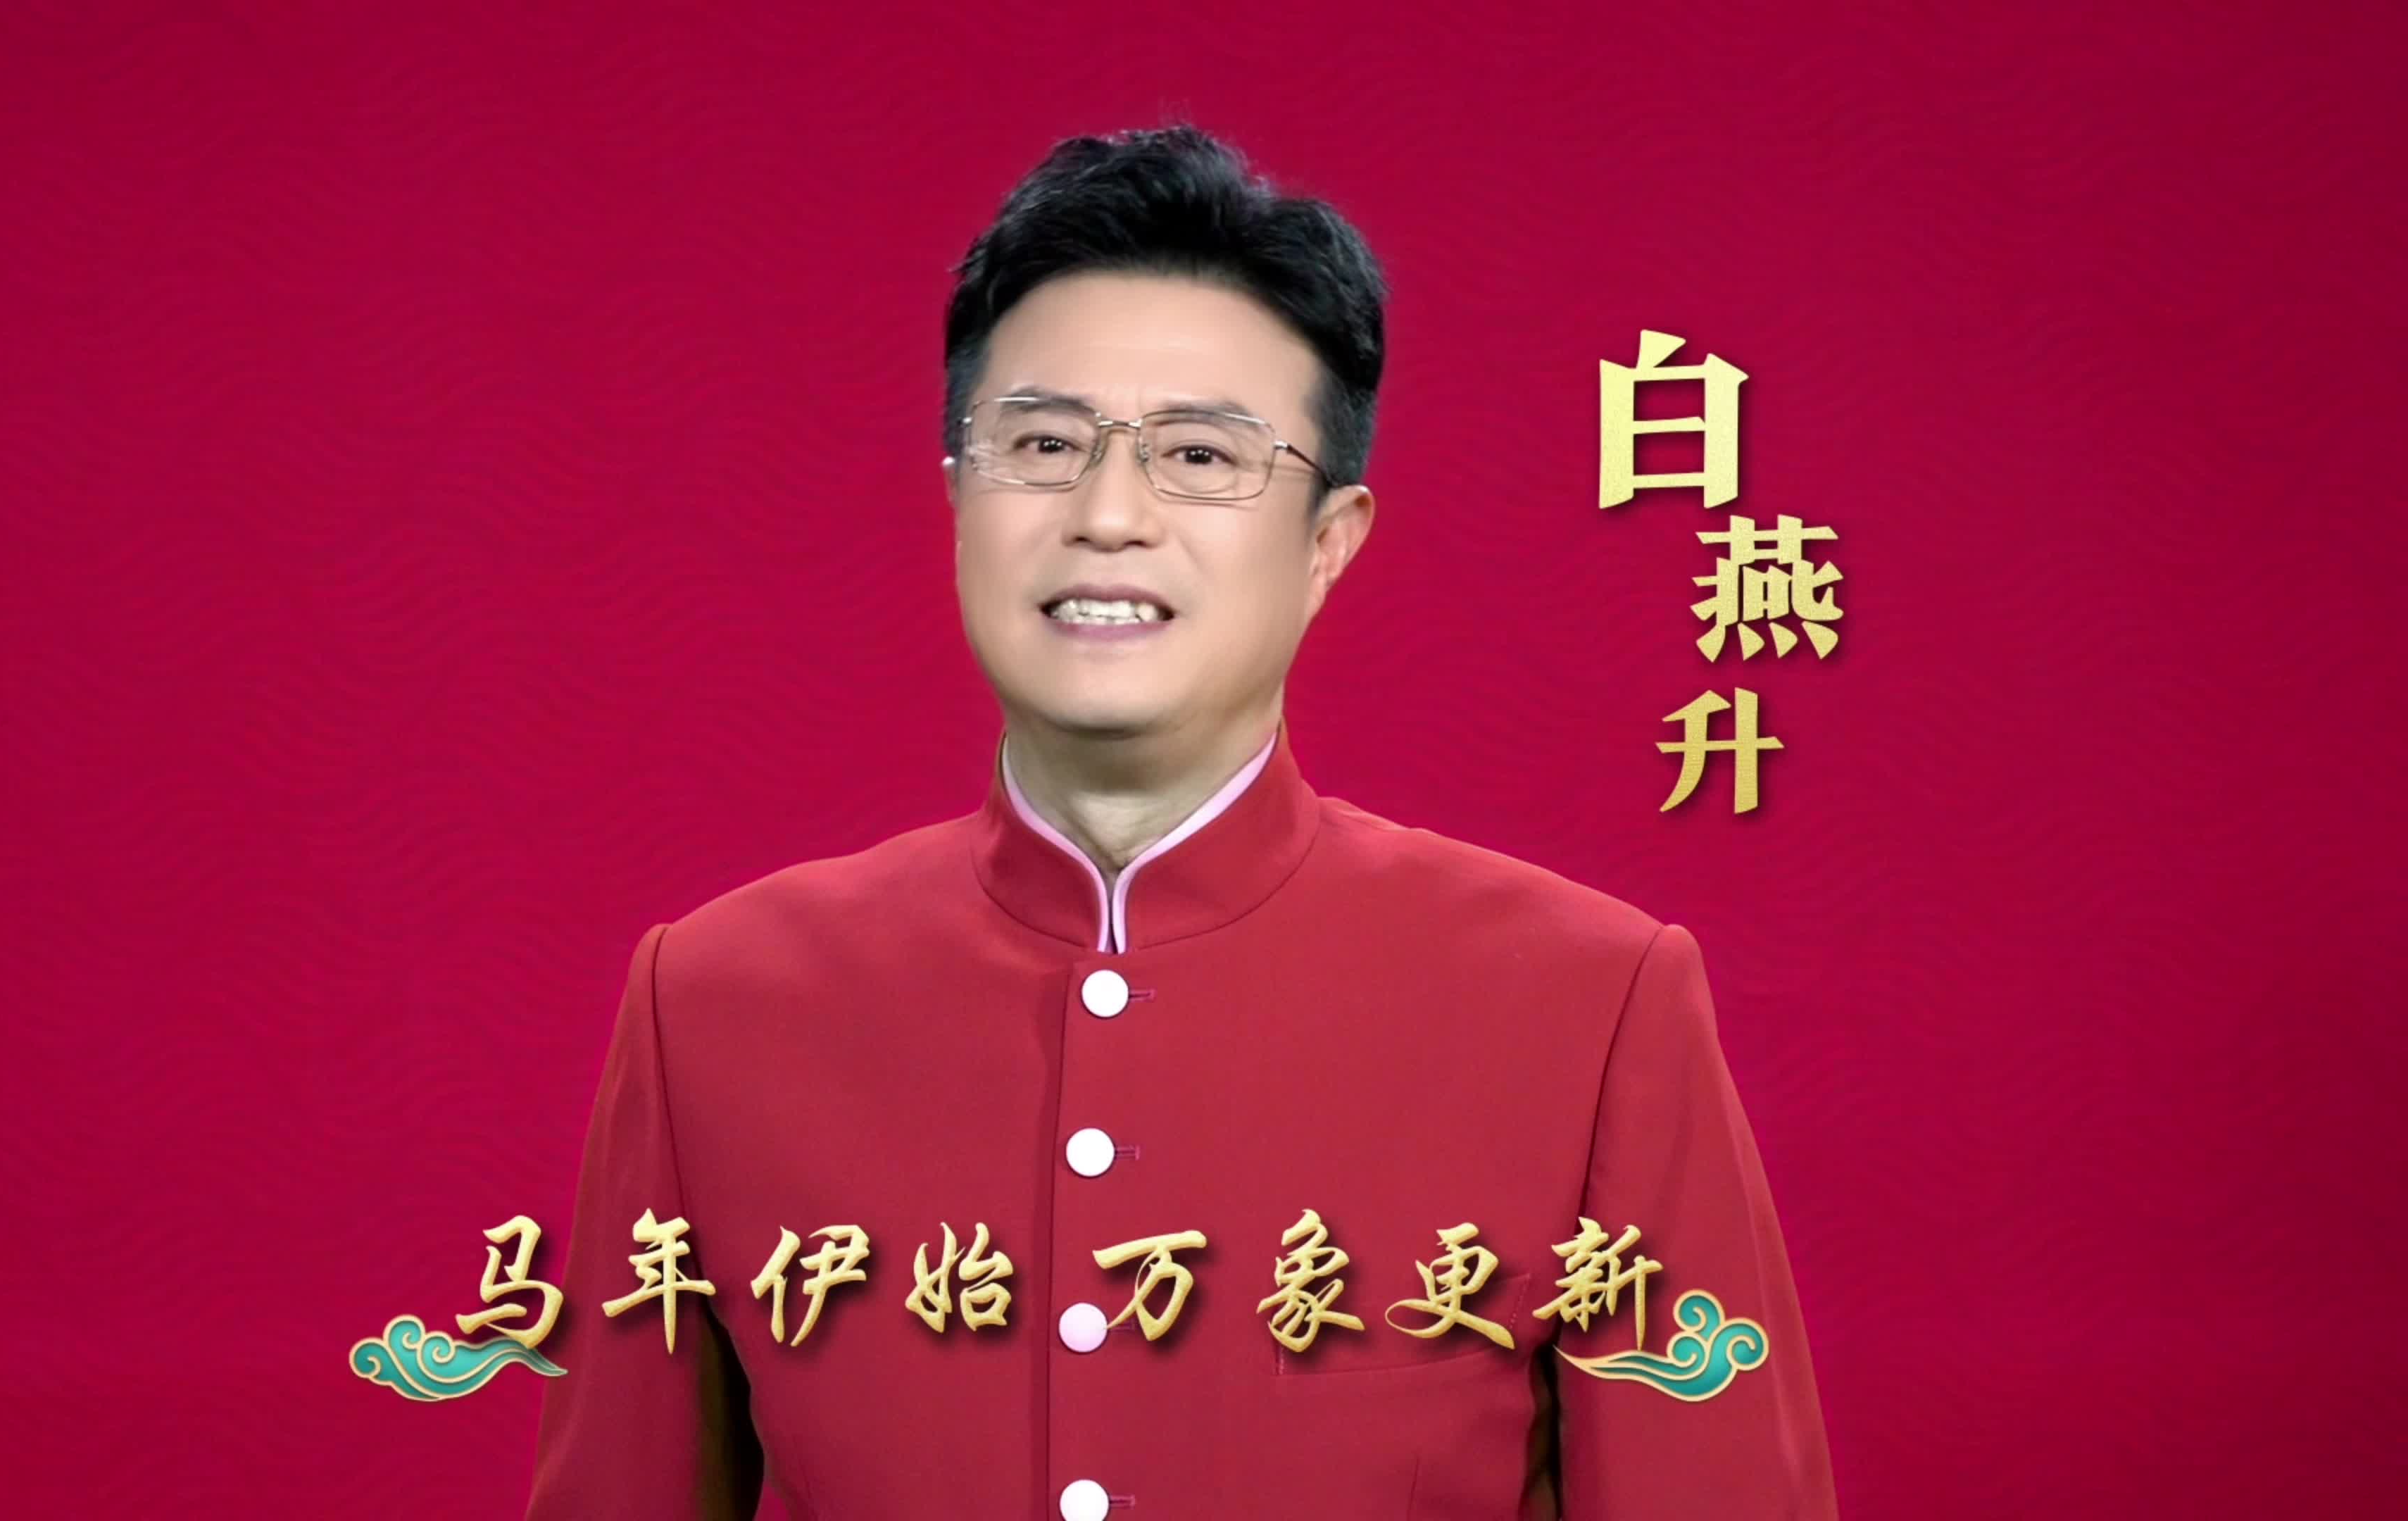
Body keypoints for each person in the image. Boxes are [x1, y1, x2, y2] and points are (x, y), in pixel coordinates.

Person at [525, 125, 1836, 1520]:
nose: (1108, 515)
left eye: (1201, 456)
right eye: (1042, 444)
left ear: (1328, 543)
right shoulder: (714, 1001)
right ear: (960, 495)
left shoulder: (1591, 1005)